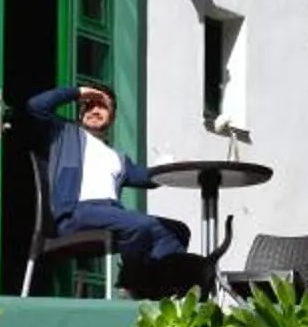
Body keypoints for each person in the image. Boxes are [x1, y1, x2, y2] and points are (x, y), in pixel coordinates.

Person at [20, 82, 203, 296]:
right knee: (141, 225)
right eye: (89, 106)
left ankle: (159, 292)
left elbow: (149, 178)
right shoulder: (65, 133)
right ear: (81, 113)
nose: (95, 110)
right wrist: (78, 92)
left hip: (110, 215)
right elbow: (35, 106)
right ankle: (132, 285)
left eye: (102, 107)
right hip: (76, 213)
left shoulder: (118, 158)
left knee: (176, 231)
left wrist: (178, 167)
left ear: (112, 117)